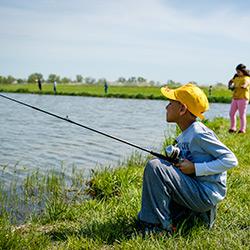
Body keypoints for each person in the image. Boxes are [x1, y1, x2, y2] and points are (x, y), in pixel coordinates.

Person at [137, 83, 238, 236]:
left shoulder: (198, 132)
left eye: (170, 103)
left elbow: (231, 160)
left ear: (182, 109)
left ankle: (158, 227)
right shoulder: (185, 134)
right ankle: (160, 219)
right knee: (160, 166)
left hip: (204, 194)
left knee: (155, 166)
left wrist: (195, 168)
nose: (166, 107)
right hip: (196, 190)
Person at [228, 64, 250, 133]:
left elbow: (247, 83)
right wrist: (230, 85)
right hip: (235, 98)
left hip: (243, 98)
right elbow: (230, 81)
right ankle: (233, 128)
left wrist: (244, 86)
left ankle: (242, 129)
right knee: (231, 113)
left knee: (241, 114)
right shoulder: (236, 78)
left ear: (243, 71)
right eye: (237, 72)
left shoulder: (246, 78)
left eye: (239, 72)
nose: (237, 73)